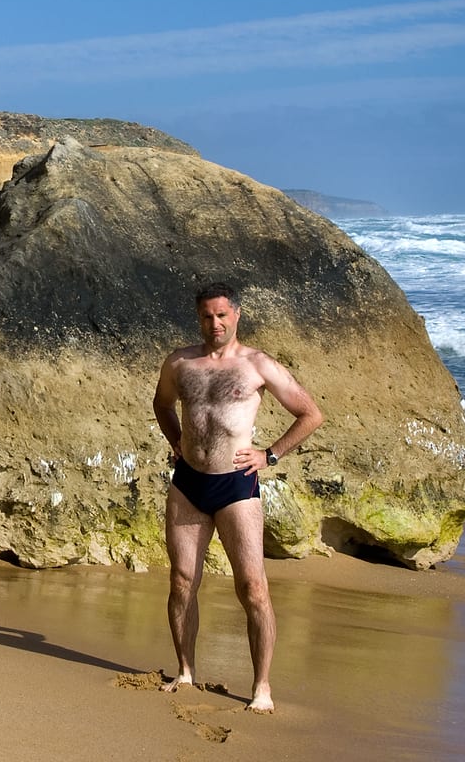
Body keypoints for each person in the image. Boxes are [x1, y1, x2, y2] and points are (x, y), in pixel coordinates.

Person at [152, 281, 324, 713]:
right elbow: (162, 405)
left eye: (223, 315)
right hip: (188, 483)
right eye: (208, 316)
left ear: (237, 315)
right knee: (181, 582)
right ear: (199, 318)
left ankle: (261, 687)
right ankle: (185, 671)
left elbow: (310, 413)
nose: (215, 323)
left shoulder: (257, 365)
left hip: (236, 485)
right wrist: (176, 441)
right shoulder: (179, 362)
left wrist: (270, 455)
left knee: (253, 588)